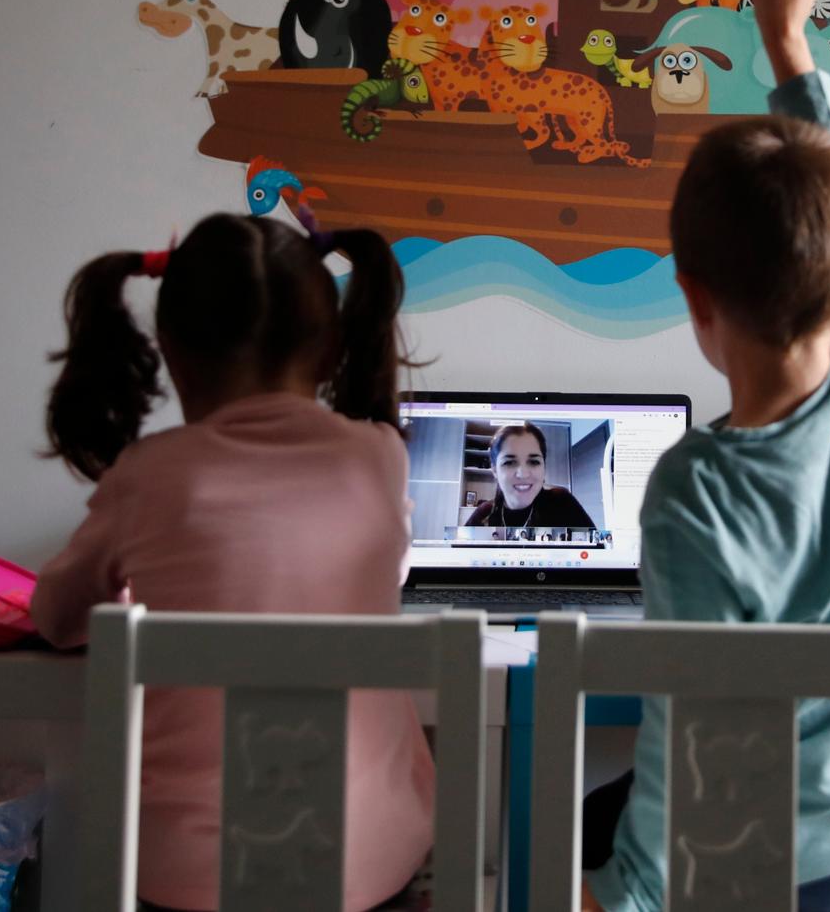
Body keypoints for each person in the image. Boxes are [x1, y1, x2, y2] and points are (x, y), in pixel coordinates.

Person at [582, 0, 830, 912]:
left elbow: (686, 730)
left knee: (580, 831)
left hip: (752, 860)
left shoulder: (692, 488)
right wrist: (793, 54)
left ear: (691, 297)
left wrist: (624, 893)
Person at [30, 212, 431, 912]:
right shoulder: (382, 457)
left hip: (185, 880)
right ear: (332, 347)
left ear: (169, 349)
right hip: (366, 871)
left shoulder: (148, 472)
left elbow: (57, 618)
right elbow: (382, 580)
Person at [463, 421, 597, 530]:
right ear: (494, 470)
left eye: (534, 461)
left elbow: (595, 553)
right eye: (509, 462)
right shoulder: (484, 514)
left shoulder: (562, 502)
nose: (523, 474)